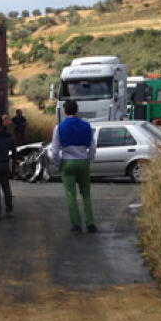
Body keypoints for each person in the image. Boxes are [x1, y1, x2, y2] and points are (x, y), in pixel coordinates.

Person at [50, 100, 96, 233]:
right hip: (83, 161)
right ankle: (90, 223)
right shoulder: (87, 126)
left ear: (65, 111)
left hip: (67, 162)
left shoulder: (59, 127)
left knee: (71, 194)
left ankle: (76, 224)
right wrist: (89, 160)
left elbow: (54, 150)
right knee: (86, 193)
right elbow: (92, 147)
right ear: (77, 110)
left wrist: (59, 165)